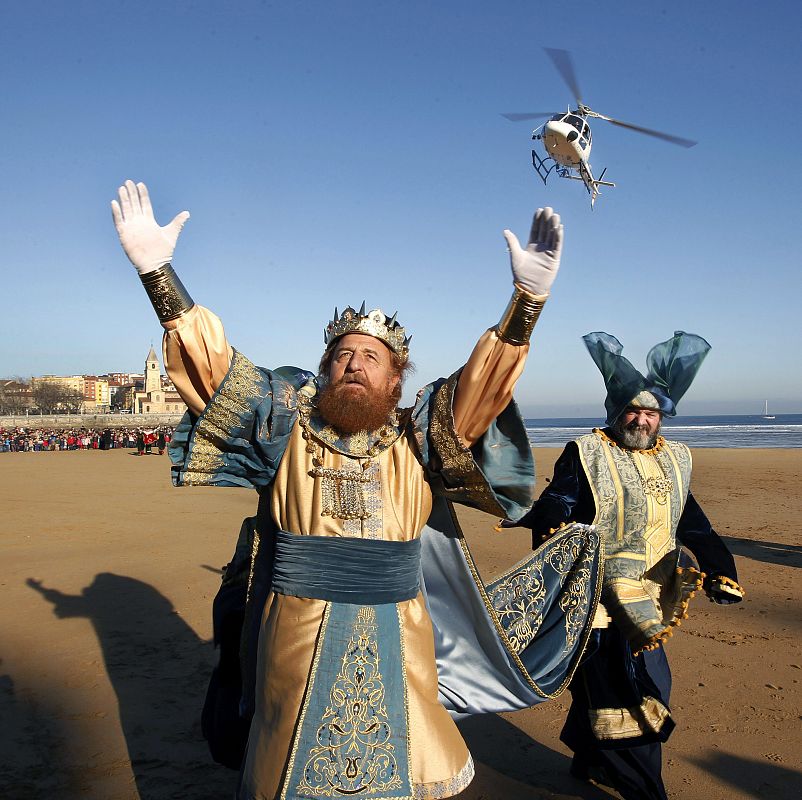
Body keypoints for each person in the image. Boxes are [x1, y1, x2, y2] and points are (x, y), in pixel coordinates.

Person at [111, 180, 604, 800]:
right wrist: (160, 274)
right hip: (295, 640)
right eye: (343, 354)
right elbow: (212, 371)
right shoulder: (281, 428)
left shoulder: (421, 440)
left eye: (371, 357)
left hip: (401, 641)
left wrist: (527, 299)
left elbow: (485, 387)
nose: (354, 363)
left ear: (397, 377)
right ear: (323, 371)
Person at [504, 331, 744, 800]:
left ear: (662, 417)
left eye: (651, 412)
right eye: (634, 411)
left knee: (615, 682)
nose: (642, 419)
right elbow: (559, 501)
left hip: (656, 592)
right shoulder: (587, 451)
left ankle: (588, 759)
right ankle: (646, 792)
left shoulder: (677, 458)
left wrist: (721, 568)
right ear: (616, 411)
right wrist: (552, 532)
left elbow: (691, 521)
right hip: (600, 596)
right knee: (633, 692)